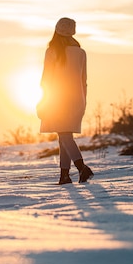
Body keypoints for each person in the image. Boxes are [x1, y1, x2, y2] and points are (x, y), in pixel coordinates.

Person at [37, 17, 94, 185]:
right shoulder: (81, 52)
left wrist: (43, 100)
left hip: (57, 99)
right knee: (64, 136)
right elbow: (84, 80)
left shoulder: (52, 52)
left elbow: (46, 79)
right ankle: (64, 176)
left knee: (64, 136)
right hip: (78, 99)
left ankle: (82, 168)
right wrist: (84, 100)